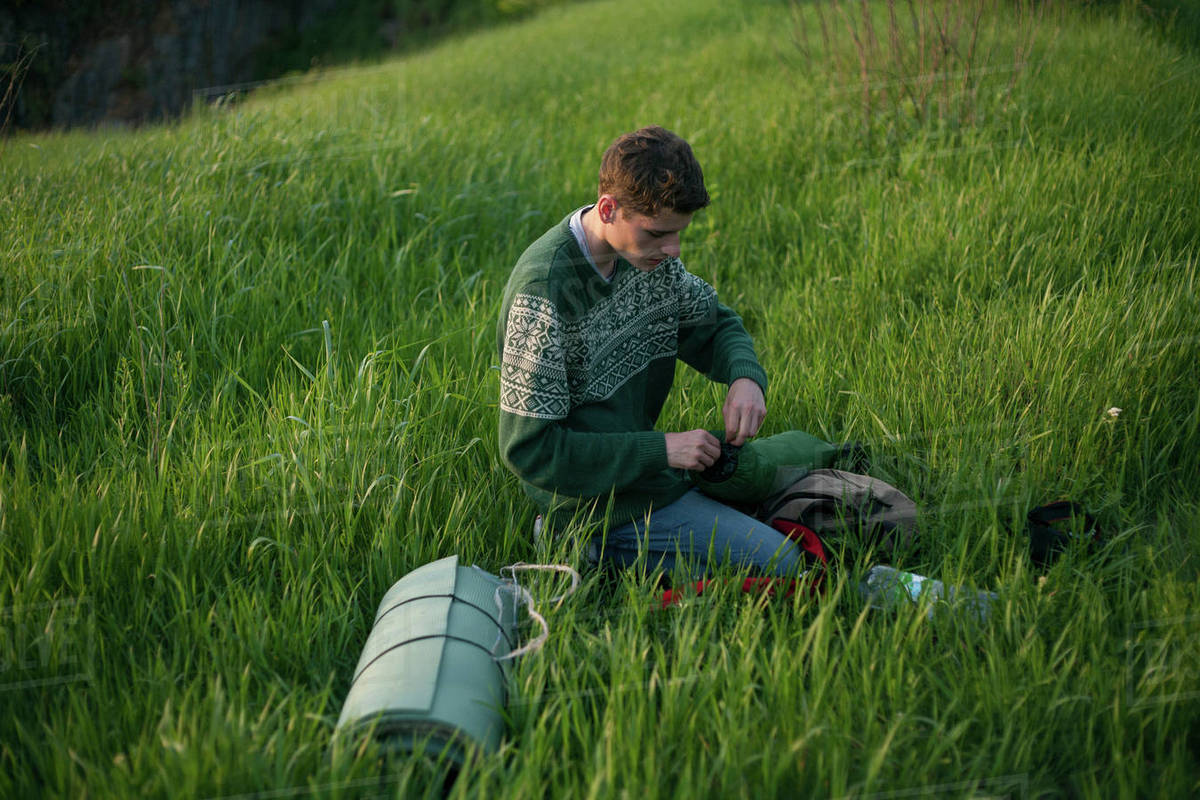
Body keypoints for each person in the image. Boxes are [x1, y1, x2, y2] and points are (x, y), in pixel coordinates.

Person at [497, 126, 805, 577]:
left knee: (808, 494)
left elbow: (716, 324)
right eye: (659, 233)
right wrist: (662, 450)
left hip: (652, 478)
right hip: (589, 502)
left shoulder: (649, 261)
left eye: (679, 233)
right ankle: (578, 544)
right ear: (609, 209)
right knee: (781, 564)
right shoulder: (542, 292)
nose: (673, 249)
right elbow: (531, 451)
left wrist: (744, 377)